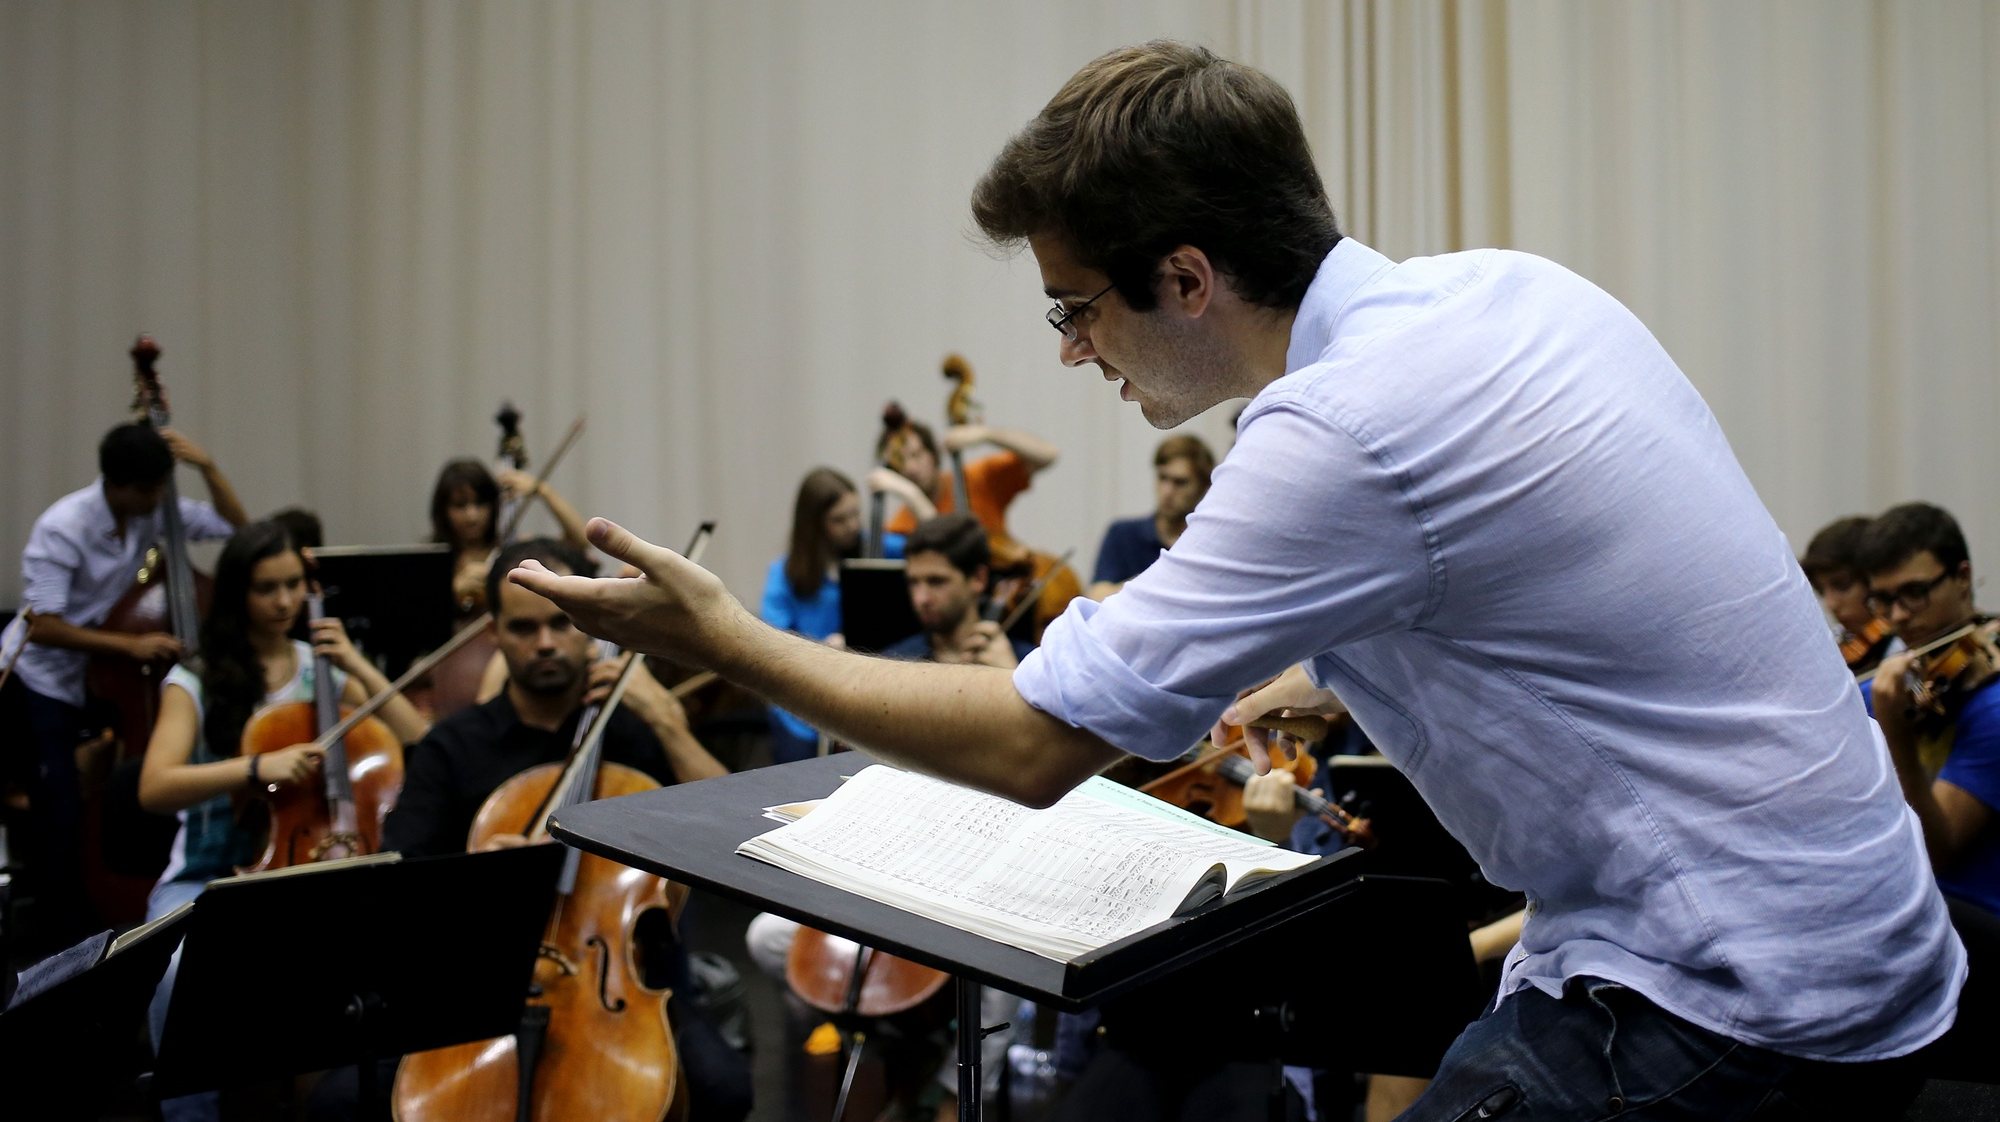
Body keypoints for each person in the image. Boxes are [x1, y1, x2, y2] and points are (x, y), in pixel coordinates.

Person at [513, 41, 1960, 1119]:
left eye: (1077, 308)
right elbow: (1438, 603)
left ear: (1189, 278)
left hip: (1734, 995)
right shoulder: (1506, 291)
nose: (1074, 352)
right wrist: (1228, 686)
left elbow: (1030, 744)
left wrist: (729, 633)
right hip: (1869, 930)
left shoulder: (1339, 431)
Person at [134, 520, 429, 1122]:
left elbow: (419, 737)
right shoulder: (195, 679)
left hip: (309, 869)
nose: (286, 601)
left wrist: (356, 664)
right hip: (209, 875)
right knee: (171, 974)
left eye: (294, 584)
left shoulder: (316, 666)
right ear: (240, 592)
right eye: (267, 587)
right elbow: (155, 786)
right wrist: (255, 767)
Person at [2, 421, 247, 944]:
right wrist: (132, 647)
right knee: (61, 806)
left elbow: (237, 530)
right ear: (119, 486)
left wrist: (207, 467)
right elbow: (40, 624)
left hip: (103, 676)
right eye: (150, 489)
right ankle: (60, 938)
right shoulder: (63, 526)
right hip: (46, 678)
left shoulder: (152, 508)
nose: (161, 498)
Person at [1856, 503, 2000, 917]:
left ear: (1962, 578)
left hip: (1972, 916)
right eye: (1882, 600)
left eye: (1915, 593)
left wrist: (1895, 734)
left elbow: (1939, 852)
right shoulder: (1890, 687)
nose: (1898, 617)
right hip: (1906, 902)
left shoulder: (1992, 706)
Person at [759, 467, 885, 765]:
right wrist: (820, 649)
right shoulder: (783, 574)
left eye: (856, 514)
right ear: (814, 525)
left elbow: (934, 551)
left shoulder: (877, 549)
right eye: (839, 520)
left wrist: (905, 492)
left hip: (865, 690)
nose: (853, 525)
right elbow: (772, 643)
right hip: (803, 703)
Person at [428, 458, 590, 618]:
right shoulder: (430, 559)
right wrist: (451, 593)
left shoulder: (513, 549)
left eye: (480, 503)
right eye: (460, 505)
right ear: (443, 510)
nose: (472, 516)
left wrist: (543, 491)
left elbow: (580, 541)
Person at [880, 514, 1033, 668]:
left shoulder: (1030, 663)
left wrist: (1010, 677)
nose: (921, 599)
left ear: (978, 578)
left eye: (936, 581)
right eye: (913, 582)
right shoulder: (894, 662)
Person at [1088, 434, 1215, 599]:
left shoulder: (1207, 542)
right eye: (1162, 478)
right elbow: (1096, 596)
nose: (1167, 491)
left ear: (1203, 487)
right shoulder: (1123, 534)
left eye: (1180, 482)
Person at [1800, 514, 1898, 674]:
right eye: (1821, 590)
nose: (1830, 604)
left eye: (1842, 586)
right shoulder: (1838, 644)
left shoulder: (1901, 644)